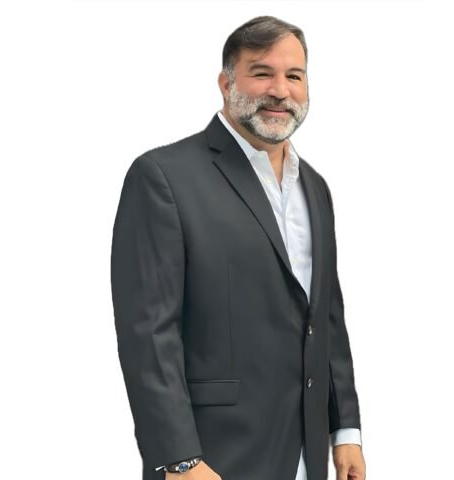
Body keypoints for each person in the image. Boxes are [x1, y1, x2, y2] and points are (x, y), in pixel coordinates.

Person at [110, 15, 366, 480]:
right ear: (226, 83)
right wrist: (179, 458)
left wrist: (344, 430)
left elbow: (326, 317)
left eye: (294, 76)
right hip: (214, 457)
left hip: (306, 454)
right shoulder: (163, 177)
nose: (280, 90)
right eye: (262, 72)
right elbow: (148, 334)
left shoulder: (315, 188)